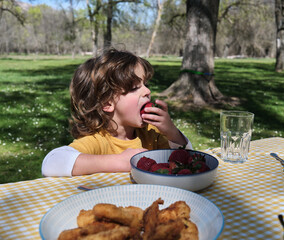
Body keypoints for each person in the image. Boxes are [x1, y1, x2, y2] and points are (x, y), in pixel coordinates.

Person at [42, 48, 192, 177]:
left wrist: (172, 133)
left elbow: (186, 161)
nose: (147, 91)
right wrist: (118, 161)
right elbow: (51, 163)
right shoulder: (98, 141)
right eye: (134, 88)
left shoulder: (151, 134)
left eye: (145, 84)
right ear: (107, 104)